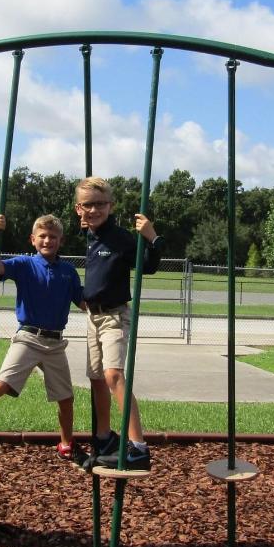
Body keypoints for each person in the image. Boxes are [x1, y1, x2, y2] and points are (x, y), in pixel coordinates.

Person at [0, 213, 88, 464]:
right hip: (28, 337)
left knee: (66, 398)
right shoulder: (24, 264)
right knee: (1, 383)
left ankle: (67, 444)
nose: (47, 241)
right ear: (33, 239)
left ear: (61, 241)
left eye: (53, 237)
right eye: (42, 236)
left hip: (55, 342)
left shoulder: (68, 271)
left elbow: (83, 301)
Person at [75, 176, 165, 471]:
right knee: (96, 378)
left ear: (110, 206)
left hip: (115, 316)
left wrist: (152, 238)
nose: (94, 210)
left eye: (100, 204)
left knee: (113, 375)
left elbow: (149, 266)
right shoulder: (91, 235)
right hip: (93, 317)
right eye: (88, 205)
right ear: (79, 209)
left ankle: (138, 446)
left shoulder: (122, 237)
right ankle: (104, 437)